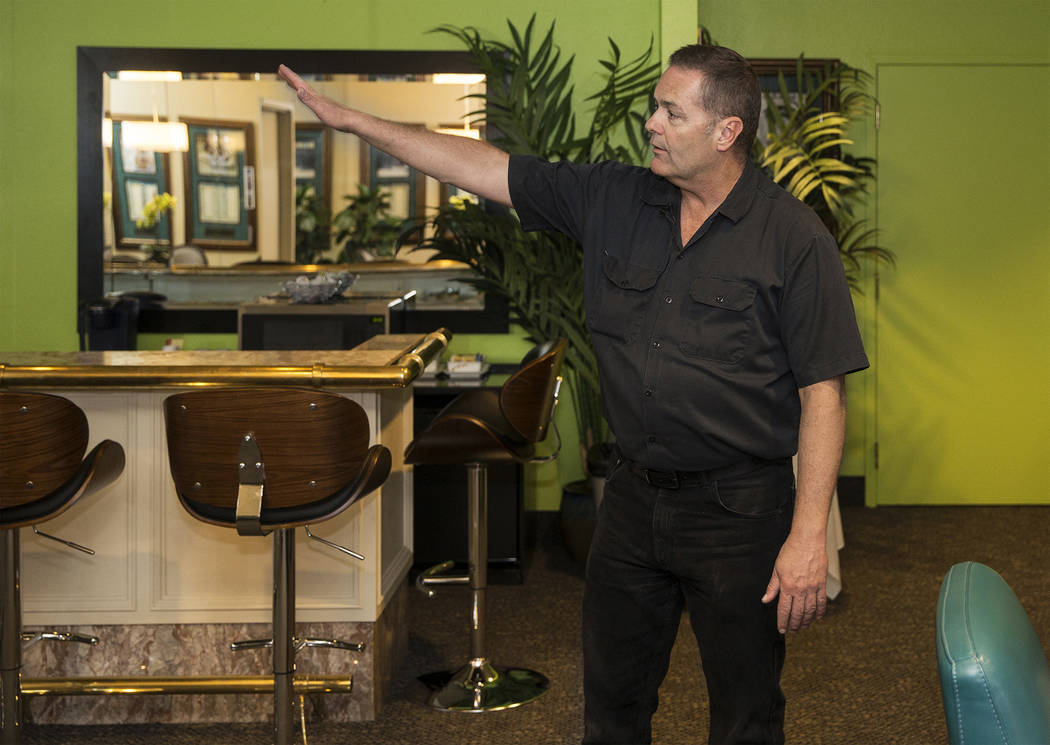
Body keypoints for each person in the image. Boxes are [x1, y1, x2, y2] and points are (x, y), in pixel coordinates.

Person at [280, 42, 868, 744]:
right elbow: (487, 168)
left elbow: (823, 395)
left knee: (745, 716)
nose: (650, 121)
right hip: (631, 503)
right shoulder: (616, 197)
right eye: (654, 104)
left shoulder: (793, 239)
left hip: (737, 513)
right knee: (612, 709)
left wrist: (807, 537)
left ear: (726, 131)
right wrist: (355, 122)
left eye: (670, 111)